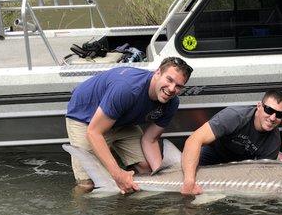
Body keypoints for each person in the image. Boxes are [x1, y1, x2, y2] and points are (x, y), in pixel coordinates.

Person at [65, 56, 193, 194]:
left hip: (123, 121)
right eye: (169, 80)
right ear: (157, 73)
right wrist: (118, 174)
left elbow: (150, 140)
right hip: (86, 117)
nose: (172, 89)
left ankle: (130, 207)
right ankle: (79, 211)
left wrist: (162, 178)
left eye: (179, 86)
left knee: (146, 168)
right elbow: (93, 133)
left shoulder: (172, 103)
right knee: (87, 185)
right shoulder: (128, 88)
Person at [181, 90, 282, 195]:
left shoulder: (274, 142)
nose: (273, 118)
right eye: (268, 110)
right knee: (187, 172)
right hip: (213, 154)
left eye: (279, 114)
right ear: (259, 106)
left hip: (240, 168)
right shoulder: (235, 116)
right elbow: (194, 140)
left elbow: (261, 176)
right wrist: (189, 181)